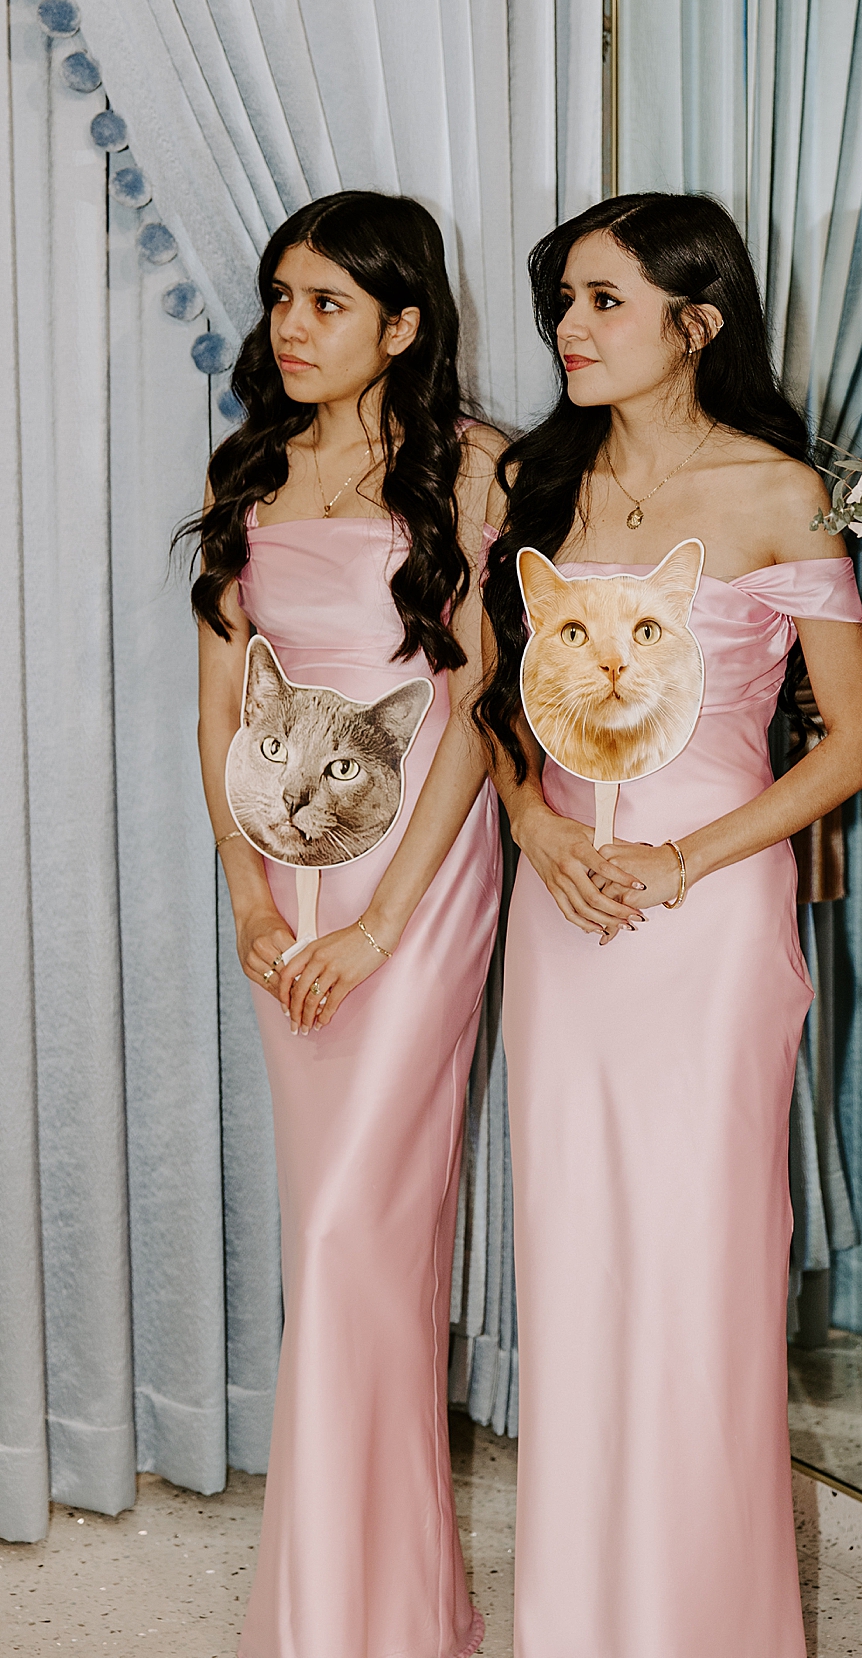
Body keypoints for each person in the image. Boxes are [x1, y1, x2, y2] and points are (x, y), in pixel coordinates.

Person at [477, 192, 862, 1658]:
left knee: (703, 1260)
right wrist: (535, 831)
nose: (571, 330)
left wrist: (683, 859)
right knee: (575, 1255)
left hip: (710, 917)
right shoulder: (534, 477)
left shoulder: (780, 490)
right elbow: (493, 704)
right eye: (564, 303)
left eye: (602, 300)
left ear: (695, 319)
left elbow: (851, 744)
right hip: (561, 917)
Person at [187, 191, 503, 1658]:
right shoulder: (250, 471)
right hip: (288, 883)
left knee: (357, 1224)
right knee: (340, 1243)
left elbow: (483, 711)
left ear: (405, 323)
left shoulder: (476, 469)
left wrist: (383, 929)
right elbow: (221, 708)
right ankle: (387, 1610)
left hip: (421, 880)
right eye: (282, 298)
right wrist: (252, 894)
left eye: (325, 300)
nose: (291, 327)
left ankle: (345, 1618)